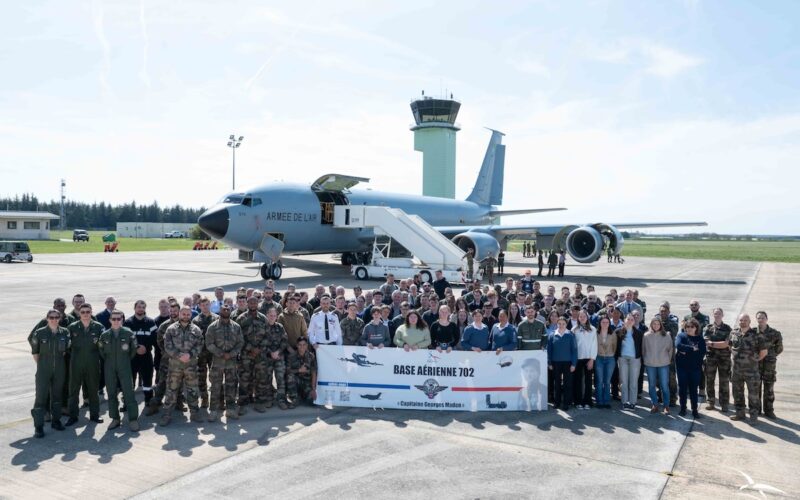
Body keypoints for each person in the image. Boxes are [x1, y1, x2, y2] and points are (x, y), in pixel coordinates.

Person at [29, 309, 70, 438]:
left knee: (57, 396)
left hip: (59, 368)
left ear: (59, 318)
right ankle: (39, 426)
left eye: (56, 317)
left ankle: (56, 421)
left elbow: (64, 351)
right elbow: (35, 353)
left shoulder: (65, 332)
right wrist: (43, 366)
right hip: (44, 369)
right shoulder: (40, 333)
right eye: (51, 317)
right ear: (47, 318)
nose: (54, 319)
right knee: (41, 398)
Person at [160, 306, 204, 426]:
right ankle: (167, 415)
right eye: (183, 314)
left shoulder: (196, 329)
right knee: (171, 390)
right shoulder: (171, 329)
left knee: (193, 390)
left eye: (188, 314)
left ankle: (194, 413)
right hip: (175, 366)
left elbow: (200, 345)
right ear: (179, 314)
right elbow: (167, 345)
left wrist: (190, 355)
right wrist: (179, 355)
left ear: (191, 315)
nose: (185, 316)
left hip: (191, 366)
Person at [97, 309, 140, 431]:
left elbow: (133, 350)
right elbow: (101, 351)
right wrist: (110, 361)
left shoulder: (128, 333)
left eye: (118, 319)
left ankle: (133, 419)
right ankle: (115, 418)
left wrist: (124, 360)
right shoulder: (104, 335)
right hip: (109, 366)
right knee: (111, 393)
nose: (116, 321)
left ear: (122, 320)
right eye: (113, 319)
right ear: (110, 320)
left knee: (128, 392)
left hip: (124, 365)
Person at [66, 303, 104, 426]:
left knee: (93, 390)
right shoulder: (72, 327)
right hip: (76, 363)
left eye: (88, 312)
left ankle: (94, 415)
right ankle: (73, 416)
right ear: (79, 313)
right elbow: (66, 345)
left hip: (93, 363)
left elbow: (103, 345)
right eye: (83, 312)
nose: (86, 314)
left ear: (91, 312)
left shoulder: (98, 327)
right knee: (73, 391)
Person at [204, 304, 244, 422]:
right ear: (220, 311)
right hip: (217, 362)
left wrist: (231, 354)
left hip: (231, 362)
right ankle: (214, 410)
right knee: (215, 386)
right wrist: (221, 353)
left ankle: (231, 409)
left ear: (230, 311)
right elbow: (209, 343)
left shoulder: (236, 327)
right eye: (223, 309)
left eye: (228, 309)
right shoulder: (212, 327)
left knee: (231, 386)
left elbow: (240, 343)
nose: (226, 311)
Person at [729, 314, 767, 423]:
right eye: (741, 320)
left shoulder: (757, 334)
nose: (743, 322)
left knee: (753, 395)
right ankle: (740, 414)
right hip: (736, 371)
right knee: (737, 393)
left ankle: (754, 417)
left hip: (752, 371)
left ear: (749, 321)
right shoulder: (733, 332)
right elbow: (730, 346)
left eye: (745, 320)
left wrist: (754, 360)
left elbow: (764, 352)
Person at [123, 300, 157, 410]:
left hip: (146, 356)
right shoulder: (128, 323)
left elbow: (154, 339)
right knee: (130, 380)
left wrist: (146, 347)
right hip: (132, 356)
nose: (141, 309)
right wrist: (136, 348)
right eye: (138, 307)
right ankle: (127, 402)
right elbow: (125, 340)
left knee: (147, 380)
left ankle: (148, 400)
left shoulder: (150, 322)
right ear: (134, 308)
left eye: (143, 307)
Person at [236, 297, 267, 413]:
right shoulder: (241, 318)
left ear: (258, 303)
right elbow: (239, 337)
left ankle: (259, 402)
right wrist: (250, 348)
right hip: (246, 355)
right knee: (244, 378)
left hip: (260, 354)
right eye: (251, 302)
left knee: (260, 378)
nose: (253, 304)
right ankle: (243, 402)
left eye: (255, 302)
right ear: (247, 303)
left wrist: (258, 349)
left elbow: (267, 336)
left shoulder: (263, 318)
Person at [675, 318, 706, 418]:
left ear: (696, 328)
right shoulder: (681, 336)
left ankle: (694, 410)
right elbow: (678, 345)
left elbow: (702, 352)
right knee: (682, 389)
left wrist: (686, 351)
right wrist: (693, 348)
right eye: (687, 326)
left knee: (693, 390)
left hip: (695, 369)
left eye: (692, 327)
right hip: (682, 368)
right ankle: (683, 408)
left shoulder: (700, 339)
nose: (689, 328)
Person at [703, 308, 732, 412]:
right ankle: (710, 402)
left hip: (724, 359)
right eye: (715, 314)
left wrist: (712, 344)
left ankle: (724, 404)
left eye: (719, 313)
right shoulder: (708, 328)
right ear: (713, 315)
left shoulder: (728, 328)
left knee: (724, 381)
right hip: (711, 358)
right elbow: (706, 342)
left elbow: (726, 343)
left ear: (722, 315)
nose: (717, 315)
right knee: (709, 381)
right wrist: (720, 344)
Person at [260, 308, 290, 410]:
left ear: (276, 316)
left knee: (280, 379)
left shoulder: (280, 327)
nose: (272, 317)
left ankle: (281, 399)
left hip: (279, 356)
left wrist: (278, 352)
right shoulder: (263, 327)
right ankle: (269, 399)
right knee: (267, 379)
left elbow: (285, 341)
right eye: (270, 315)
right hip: (267, 358)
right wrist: (270, 352)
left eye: (274, 316)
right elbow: (260, 343)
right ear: (267, 315)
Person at [642, 318, 673, 414]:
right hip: (650, 364)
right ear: (651, 325)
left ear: (660, 325)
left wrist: (667, 360)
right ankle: (654, 404)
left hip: (663, 364)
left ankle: (666, 406)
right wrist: (646, 359)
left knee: (664, 386)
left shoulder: (666, 335)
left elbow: (670, 349)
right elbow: (643, 349)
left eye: (658, 324)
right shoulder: (646, 336)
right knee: (651, 385)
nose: (656, 326)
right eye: (654, 324)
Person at [755, 311, 783, 419]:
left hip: (769, 365)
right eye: (758, 318)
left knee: (769, 388)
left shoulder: (775, 333)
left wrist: (771, 355)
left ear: (767, 319)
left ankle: (769, 410)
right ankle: (756, 410)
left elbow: (779, 348)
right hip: (756, 364)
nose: (760, 320)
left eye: (762, 318)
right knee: (755, 388)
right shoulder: (753, 332)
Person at [547, 318, 577, 411]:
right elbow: (549, 350)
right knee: (557, 383)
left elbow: (574, 350)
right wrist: (549, 362)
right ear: (557, 324)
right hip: (556, 363)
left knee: (567, 383)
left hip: (568, 363)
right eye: (559, 323)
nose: (561, 325)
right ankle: (557, 402)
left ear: (566, 324)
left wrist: (574, 364)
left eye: (563, 323)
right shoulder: (552, 335)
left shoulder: (570, 335)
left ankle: (566, 403)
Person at [615, 314, 643, 410]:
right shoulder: (618, 332)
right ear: (624, 320)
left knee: (633, 382)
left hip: (635, 359)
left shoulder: (639, 333)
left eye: (632, 319)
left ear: (634, 321)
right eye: (628, 319)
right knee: (623, 381)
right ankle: (625, 402)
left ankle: (632, 402)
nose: (630, 321)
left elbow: (641, 347)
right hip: (622, 359)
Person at [685, 299, 710, 400]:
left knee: (700, 369)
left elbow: (705, 331)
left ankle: (702, 389)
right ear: (689, 307)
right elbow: (684, 330)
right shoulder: (686, 317)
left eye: (695, 305)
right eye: (692, 305)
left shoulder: (705, 318)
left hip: (700, 346)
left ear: (699, 306)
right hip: (689, 345)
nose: (693, 306)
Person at [572, 310, 597, 409]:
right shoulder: (574, 329)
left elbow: (594, 345)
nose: (582, 318)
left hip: (588, 358)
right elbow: (573, 346)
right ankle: (578, 401)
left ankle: (587, 401)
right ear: (578, 318)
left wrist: (592, 359)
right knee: (577, 380)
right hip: (578, 358)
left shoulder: (592, 329)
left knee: (588, 381)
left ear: (587, 318)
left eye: (584, 316)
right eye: (580, 316)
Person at [594, 316, 618, 409]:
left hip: (610, 359)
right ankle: (599, 401)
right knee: (599, 381)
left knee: (607, 381)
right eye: (603, 322)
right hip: (599, 358)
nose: (605, 324)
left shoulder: (613, 334)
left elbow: (614, 346)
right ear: (600, 323)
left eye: (607, 322)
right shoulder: (596, 333)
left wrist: (610, 354)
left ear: (609, 323)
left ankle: (606, 401)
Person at [286, 337, 317, 407]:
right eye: (300, 345)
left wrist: (313, 389)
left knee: (313, 402)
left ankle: (303, 395)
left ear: (307, 346)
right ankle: (294, 398)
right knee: (290, 377)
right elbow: (287, 371)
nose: (302, 347)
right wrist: (299, 370)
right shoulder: (291, 356)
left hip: (307, 383)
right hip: (296, 382)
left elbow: (314, 373)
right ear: (297, 345)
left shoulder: (311, 356)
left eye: (304, 345)